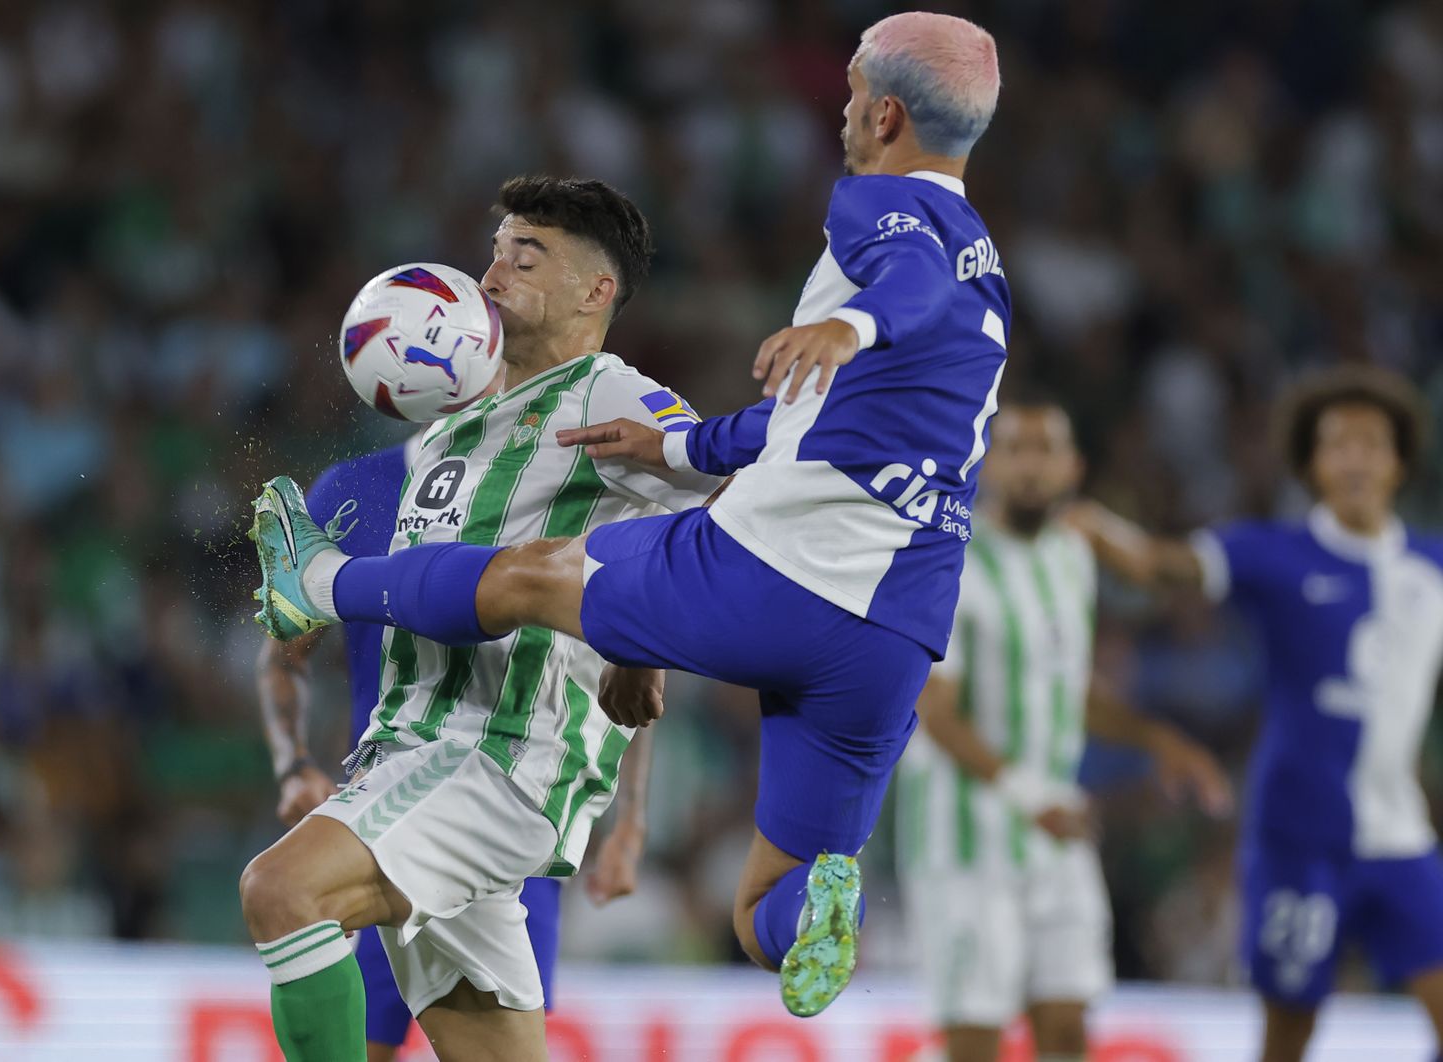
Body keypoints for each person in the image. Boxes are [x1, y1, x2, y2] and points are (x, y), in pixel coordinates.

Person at [251, 11, 1007, 1019]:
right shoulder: (986, 273)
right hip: (896, 627)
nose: (839, 111)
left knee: (532, 573)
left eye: (851, 91)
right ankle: (822, 907)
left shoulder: (882, 207)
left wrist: (847, 325)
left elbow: (903, 284)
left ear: (885, 116)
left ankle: (318, 581)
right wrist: (678, 460)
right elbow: (797, 426)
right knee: (764, 906)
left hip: (771, 582)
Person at [240, 175, 717, 1062]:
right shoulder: (461, 422)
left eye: (526, 257)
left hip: (495, 758)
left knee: (282, 891)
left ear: (595, 290)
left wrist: (643, 637)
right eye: (495, 252)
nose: (493, 274)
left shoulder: (607, 396)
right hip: (414, 753)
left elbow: (723, 508)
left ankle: (326, 580)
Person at [1065, 366, 1443, 1062]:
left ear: (1400, 462)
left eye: (1372, 444)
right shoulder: (1272, 554)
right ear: (1311, 464)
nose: (1355, 460)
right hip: (1300, 837)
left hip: (1402, 840)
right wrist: (1088, 521)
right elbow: (1156, 564)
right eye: (1338, 444)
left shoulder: (1432, 566)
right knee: (1288, 1034)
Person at [254, 437, 652, 1062]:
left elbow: (616, 660)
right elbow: (283, 652)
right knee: (312, 933)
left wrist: (630, 819)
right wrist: (294, 766)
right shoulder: (355, 490)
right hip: (389, 801)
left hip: (501, 796)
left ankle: (327, 579)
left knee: (285, 892)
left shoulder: (546, 470)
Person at [898, 393, 1231, 1062]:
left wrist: (1159, 740)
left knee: (1068, 1030)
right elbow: (936, 713)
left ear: (1073, 467)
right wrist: (1029, 796)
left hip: (1055, 832)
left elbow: (1063, 689)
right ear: (989, 465)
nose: (1030, 466)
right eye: (1015, 449)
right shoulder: (950, 561)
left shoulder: (1072, 554)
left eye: (1045, 450)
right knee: (975, 1042)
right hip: (964, 840)